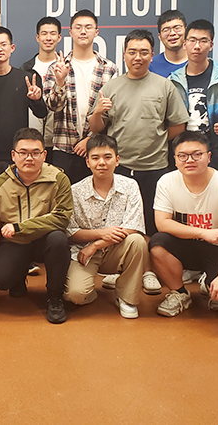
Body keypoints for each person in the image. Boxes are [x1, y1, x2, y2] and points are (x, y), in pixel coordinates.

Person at [88, 29, 189, 295]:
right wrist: (97, 112)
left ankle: (149, 272)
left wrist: (156, 139)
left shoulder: (164, 86)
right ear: (124, 55)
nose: (138, 57)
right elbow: (97, 127)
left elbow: (178, 124)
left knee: (152, 224)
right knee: (122, 224)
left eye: (144, 52)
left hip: (154, 167)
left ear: (152, 55)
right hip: (119, 168)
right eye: (132, 52)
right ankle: (125, 269)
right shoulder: (111, 87)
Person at [151, 131, 218, 316]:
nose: (190, 160)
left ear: (209, 156)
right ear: (175, 159)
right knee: (158, 243)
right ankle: (179, 293)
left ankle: (208, 282)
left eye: (197, 154)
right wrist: (203, 233)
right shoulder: (167, 182)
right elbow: (162, 223)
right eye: (183, 156)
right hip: (186, 244)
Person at [0, 128, 73, 324]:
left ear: (44, 155)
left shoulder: (59, 179)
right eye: (23, 153)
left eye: (35, 153)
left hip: (45, 241)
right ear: (13, 155)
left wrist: (21, 227)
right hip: (15, 242)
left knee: (59, 240)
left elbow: (62, 218)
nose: (29, 158)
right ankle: (18, 277)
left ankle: (54, 297)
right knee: (2, 279)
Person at [63, 134, 145, 319]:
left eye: (107, 157)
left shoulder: (130, 186)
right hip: (83, 252)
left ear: (117, 160)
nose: (102, 163)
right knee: (75, 295)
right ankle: (89, 290)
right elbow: (71, 232)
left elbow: (134, 225)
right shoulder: (75, 191)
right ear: (87, 162)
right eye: (95, 158)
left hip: (116, 248)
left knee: (137, 241)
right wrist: (100, 234)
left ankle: (126, 297)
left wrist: (97, 244)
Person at [43, 10, 118, 184]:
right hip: (63, 147)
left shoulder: (109, 69)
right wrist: (60, 82)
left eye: (88, 27)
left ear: (96, 32)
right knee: (64, 202)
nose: (83, 31)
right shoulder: (56, 67)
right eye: (78, 27)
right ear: (70, 32)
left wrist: (89, 139)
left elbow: (112, 112)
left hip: (97, 149)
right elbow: (52, 107)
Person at [0, 26, 46, 189]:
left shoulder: (27, 78)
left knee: (17, 204)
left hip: (19, 156)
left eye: (4, 44)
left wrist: (36, 99)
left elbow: (42, 113)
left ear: (12, 48)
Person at [169, 19, 218, 174]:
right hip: (185, 152)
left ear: (211, 45)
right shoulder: (173, 80)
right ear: (185, 44)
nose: (197, 46)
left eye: (203, 41)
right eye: (192, 40)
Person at [22, 17, 61, 162]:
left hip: (58, 142)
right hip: (32, 141)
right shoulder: (26, 69)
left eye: (53, 34)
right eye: (44, 33)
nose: (48, 38)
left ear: (59, 37)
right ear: (38, 37)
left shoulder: (65, 67)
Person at [149, 9, 187, 78]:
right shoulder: (151, 66)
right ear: (160, 36)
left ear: (186, 31)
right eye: (166, 30)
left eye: (177, 28)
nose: (172, 33)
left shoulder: (198, 63)